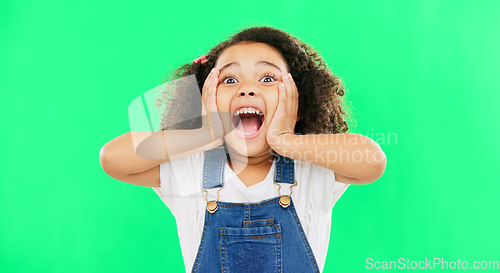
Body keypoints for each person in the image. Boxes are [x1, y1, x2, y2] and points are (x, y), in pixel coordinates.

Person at [100, 26, 386, 273]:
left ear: (299, 104)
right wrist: (204, 133)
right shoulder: (191, 169)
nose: (247, 89)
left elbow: (372, 159)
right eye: (229, 80)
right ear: (205, 99)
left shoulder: (310, 168)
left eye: (267, 79)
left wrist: (287, 140)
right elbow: (113, 158)